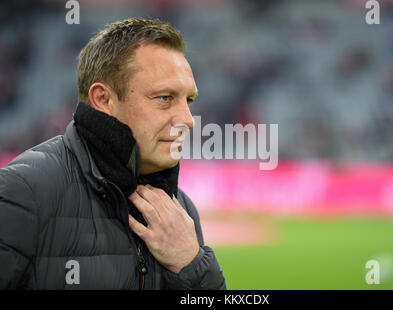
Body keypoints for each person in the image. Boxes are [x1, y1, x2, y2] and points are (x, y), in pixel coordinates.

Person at [0, 17, 226, 290]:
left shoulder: (181, 210)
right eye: (165, 98)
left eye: (188, 100)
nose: (188, 119)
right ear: (103, 99)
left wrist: (193, 266)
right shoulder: (23, 191)